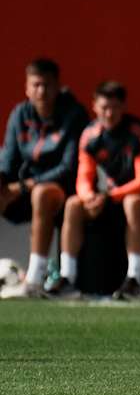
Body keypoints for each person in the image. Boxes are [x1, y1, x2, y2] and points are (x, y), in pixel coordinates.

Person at [60, 81, 140, 300]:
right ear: (94, 106)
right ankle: (67, 277)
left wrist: (108, 195)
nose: (109, 114)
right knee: (73, 203)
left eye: (114, 108)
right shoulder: (90, 135)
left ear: (123, 107)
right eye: (103, 107)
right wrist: (88, 196)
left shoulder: (138, 133)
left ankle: (134, 278)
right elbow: (84, 177)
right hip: (113, 196)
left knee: (133, 202)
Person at [0, 59, 88, 296]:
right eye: (36, 85)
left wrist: (20, 187)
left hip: (63, 191)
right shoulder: (20, 113)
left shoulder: (74, 114)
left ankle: (34, 277)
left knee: (41, 193)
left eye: (47, 85)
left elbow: (68, 167)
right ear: (27, 88)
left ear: (57, 86)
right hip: (21, 191)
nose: (41, 91)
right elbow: (7, 160)